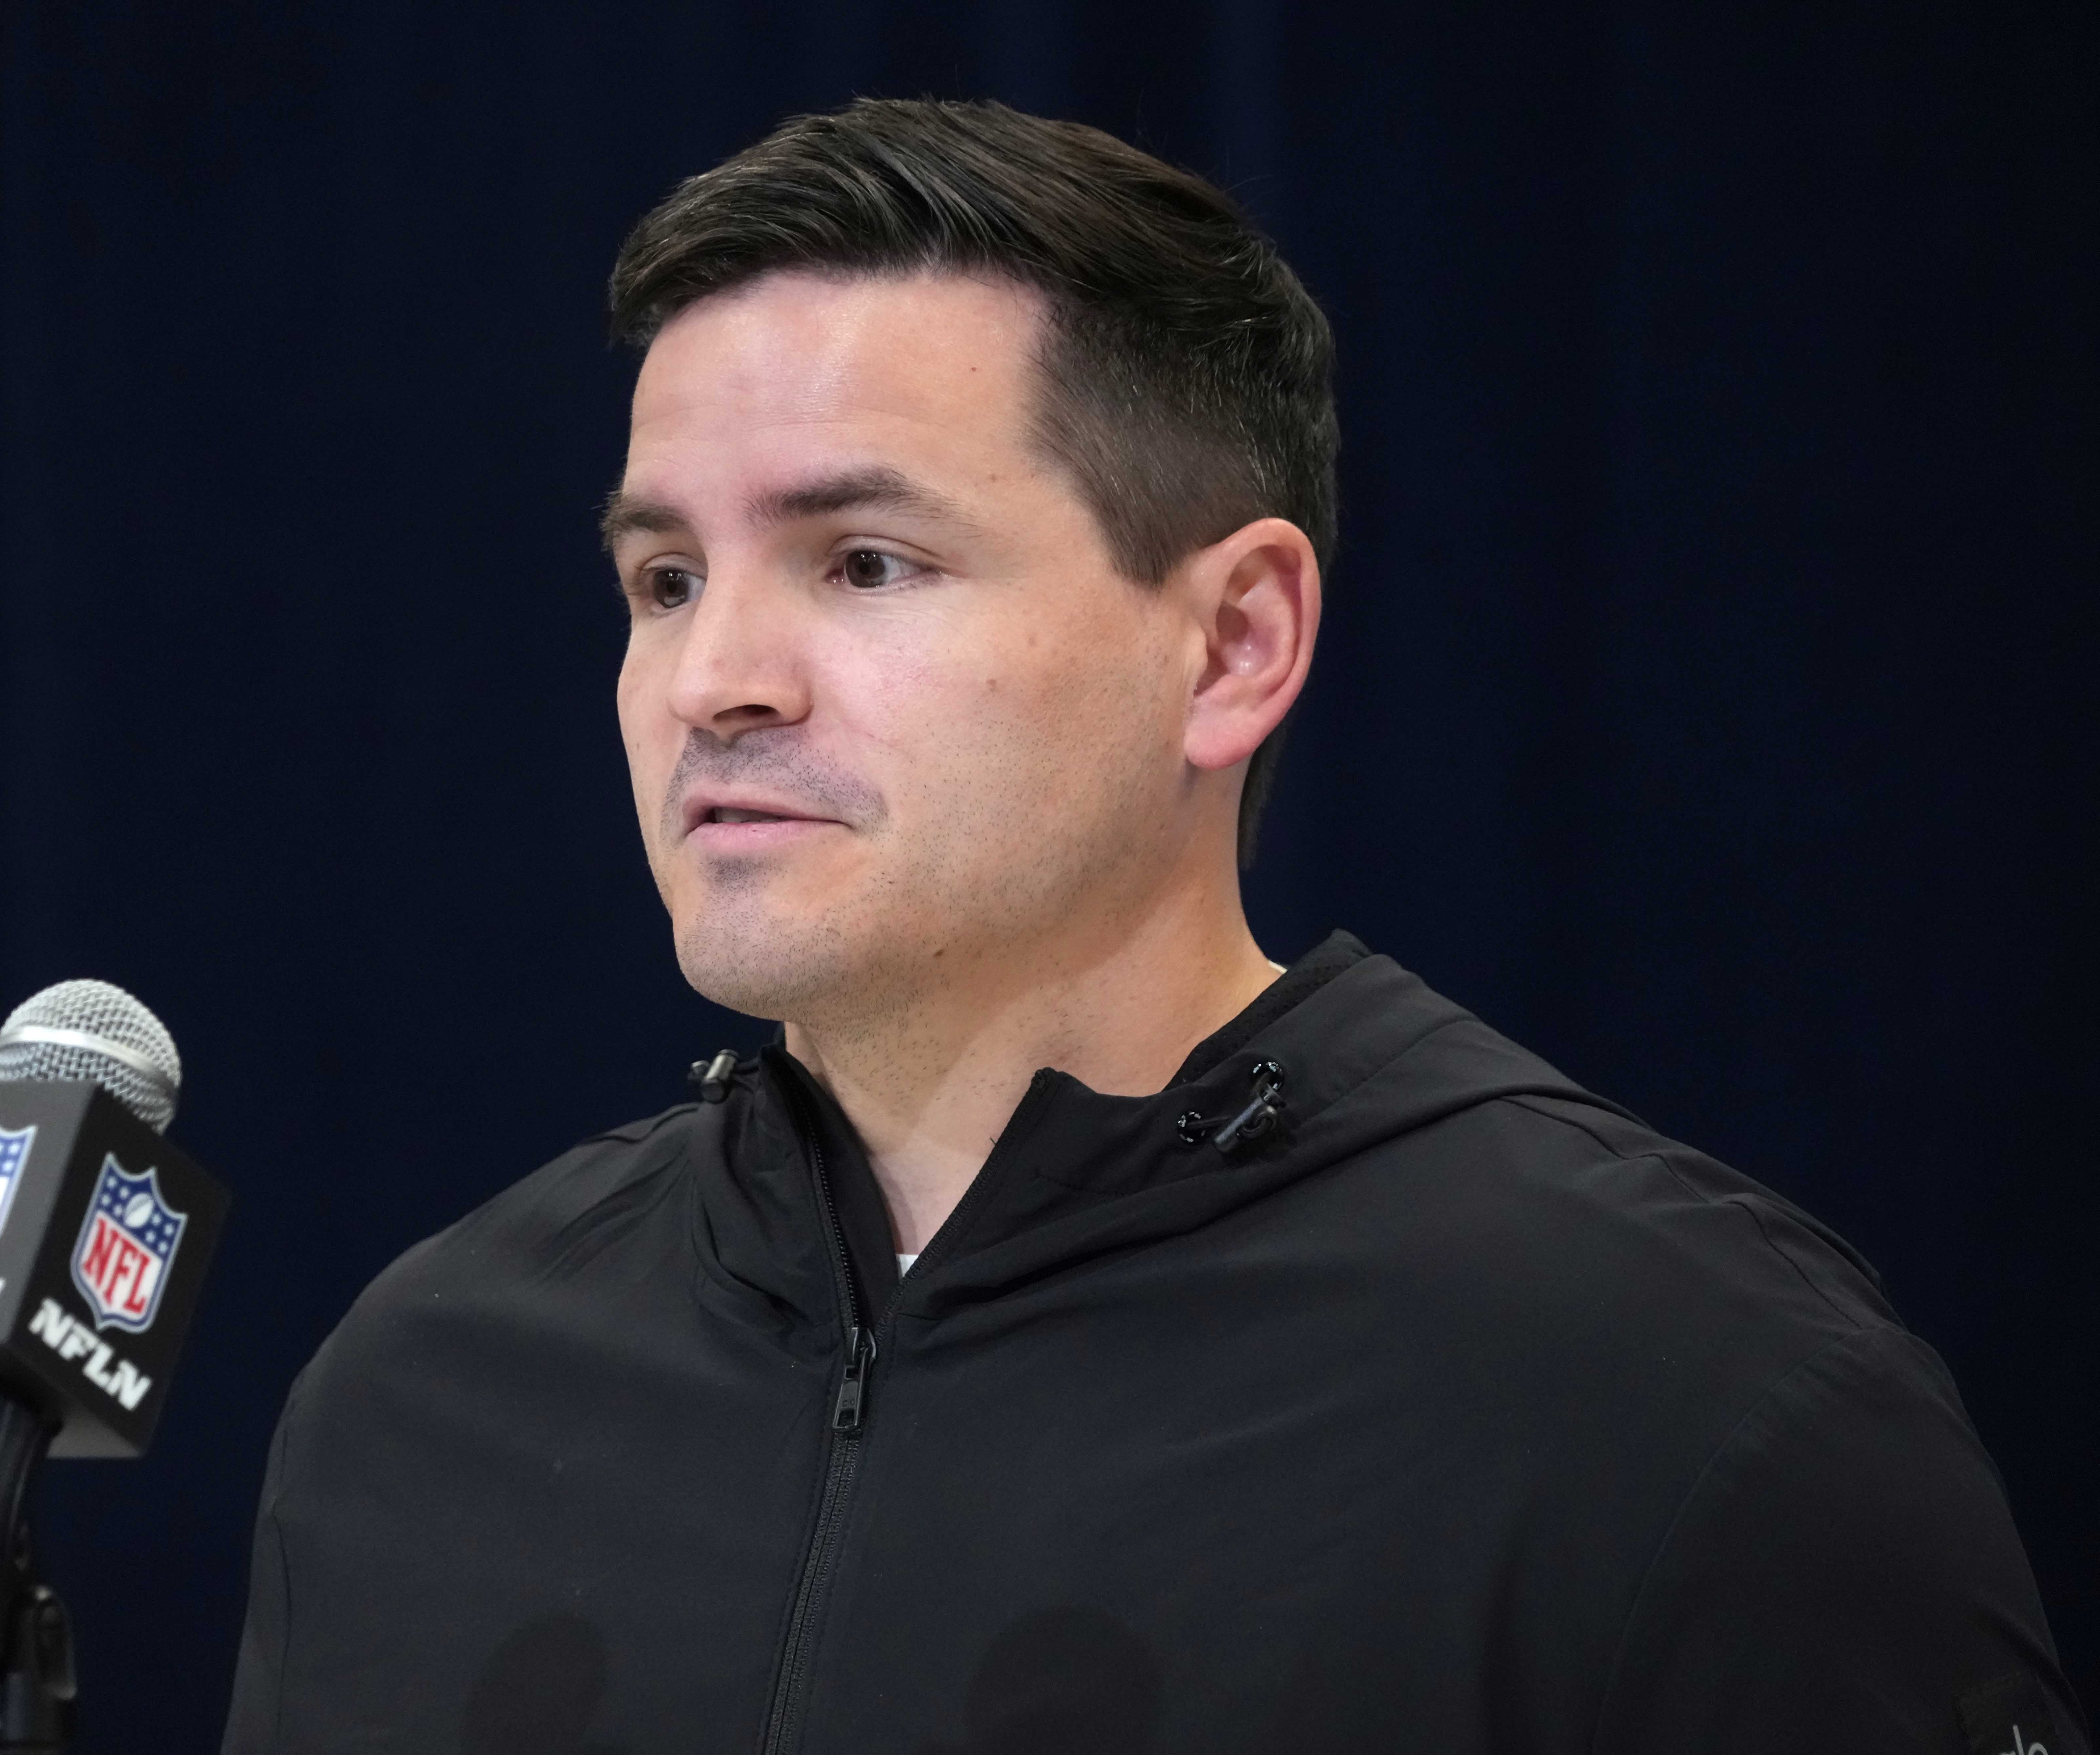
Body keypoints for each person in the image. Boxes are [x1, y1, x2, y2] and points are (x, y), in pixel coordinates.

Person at [221, 98, 2082, 1752]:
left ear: (1231, 643)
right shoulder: (426, 1390)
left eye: (864, 562)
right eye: (663, 576)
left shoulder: (1677, 1387)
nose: (712, 678)